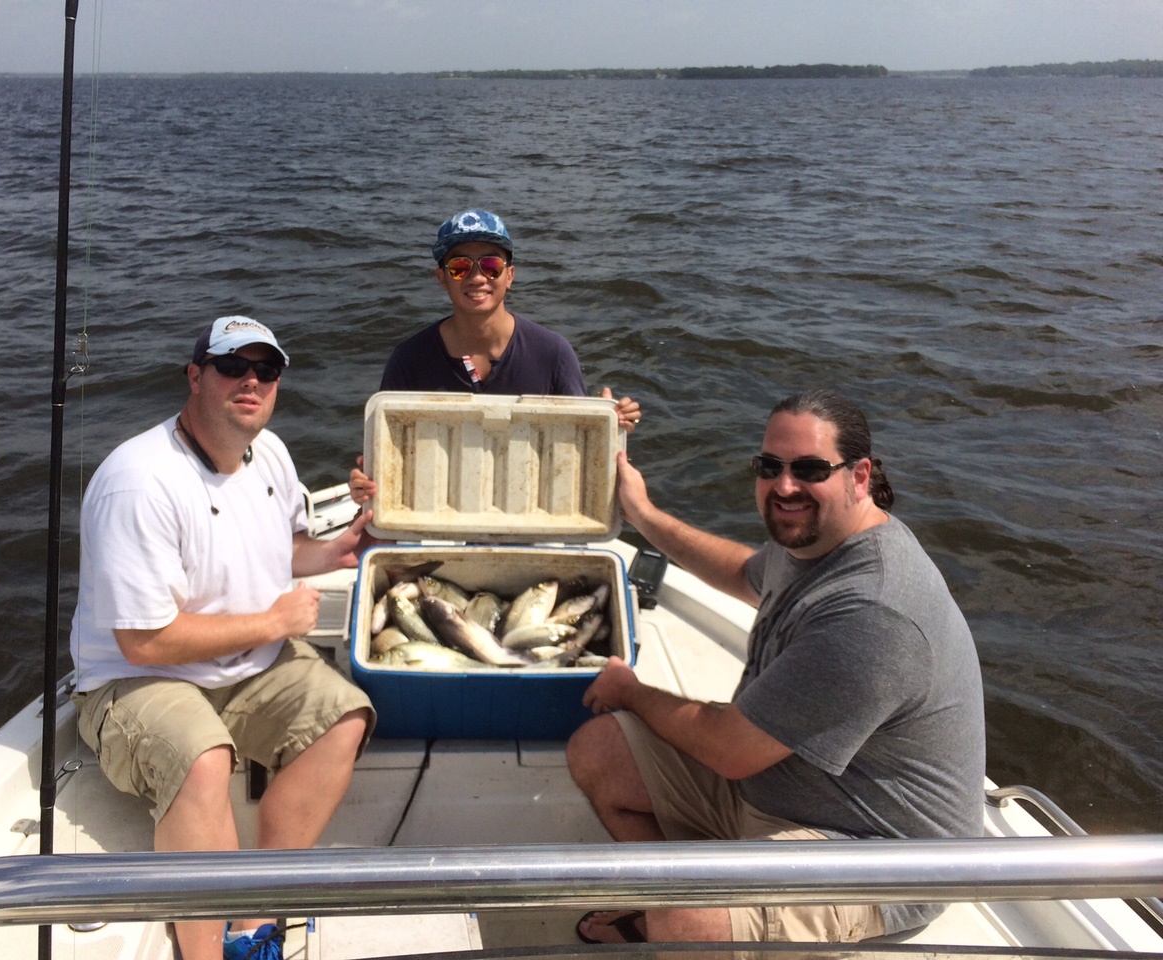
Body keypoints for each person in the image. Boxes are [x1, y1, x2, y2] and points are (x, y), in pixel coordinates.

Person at [566, 390, 985, 945]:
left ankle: (683, 914)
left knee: (689, 920)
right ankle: (678, 902)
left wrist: (633, 691)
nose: (785, 486)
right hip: (774, 787)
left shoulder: (874, 610)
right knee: (598, 751)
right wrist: (643, 515)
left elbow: (731, 751)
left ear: (859, 476)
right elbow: (744, 573)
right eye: (770, 467)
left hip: (870, 853)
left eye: (809, 469)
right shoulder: (812, 542)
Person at [69, 316, 377, 960]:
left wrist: (340, 551)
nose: (252, 381)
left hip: (246, 665)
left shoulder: (270, 454)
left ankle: (255, 915)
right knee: (205, 757)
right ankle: (203, 952)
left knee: (344, 717)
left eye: (266, 371)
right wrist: (274, 623)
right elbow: (143, 644)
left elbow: (287, 547)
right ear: (195, 376)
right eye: (234, 366)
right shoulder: (140, 481)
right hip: (137, 681)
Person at [349, 209, 640, 503]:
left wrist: (608, 422)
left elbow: (578, 449)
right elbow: (390, 453)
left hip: (533, 512)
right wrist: (367, 483)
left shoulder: (553, 353)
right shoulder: (408, 359)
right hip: (438, 515)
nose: (477, 277)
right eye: (460, 267)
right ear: (442, 278)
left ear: (509, 275)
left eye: (491, 265)